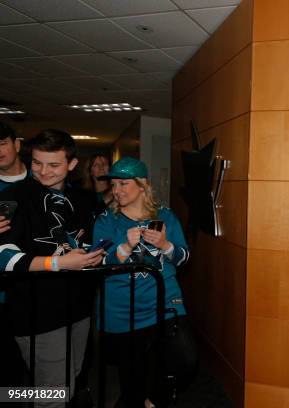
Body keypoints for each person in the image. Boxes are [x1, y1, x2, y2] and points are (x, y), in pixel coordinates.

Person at [0, 129, 104, 405]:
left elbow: (92, 244)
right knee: (53, 393)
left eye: (54, 164)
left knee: (68, 383)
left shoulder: (84, 199)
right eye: (37, 163)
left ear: (72, 165)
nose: (43, 171)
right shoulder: (13, 196)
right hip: (37, 313)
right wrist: (59, 262)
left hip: (79, 309)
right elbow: (4, 257)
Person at [94, 157, 197, 408]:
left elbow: (183, 258)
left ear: (142, 185)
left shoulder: (165, 216)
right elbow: (96, 264)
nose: (117, 190)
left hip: (165, 302)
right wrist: (125, 247)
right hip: (123, 311)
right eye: (114, 185)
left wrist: (165, 245)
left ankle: (154, 401)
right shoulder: (107, 220)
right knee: (133, 384)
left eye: (123, 184)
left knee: (186, 360)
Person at [0, 122, 28, 386]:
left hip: (39, 291)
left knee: (43, 370)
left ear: (16, 144)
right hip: (3, 293)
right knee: (8, 372)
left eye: (2, 143)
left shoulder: (44, 178)